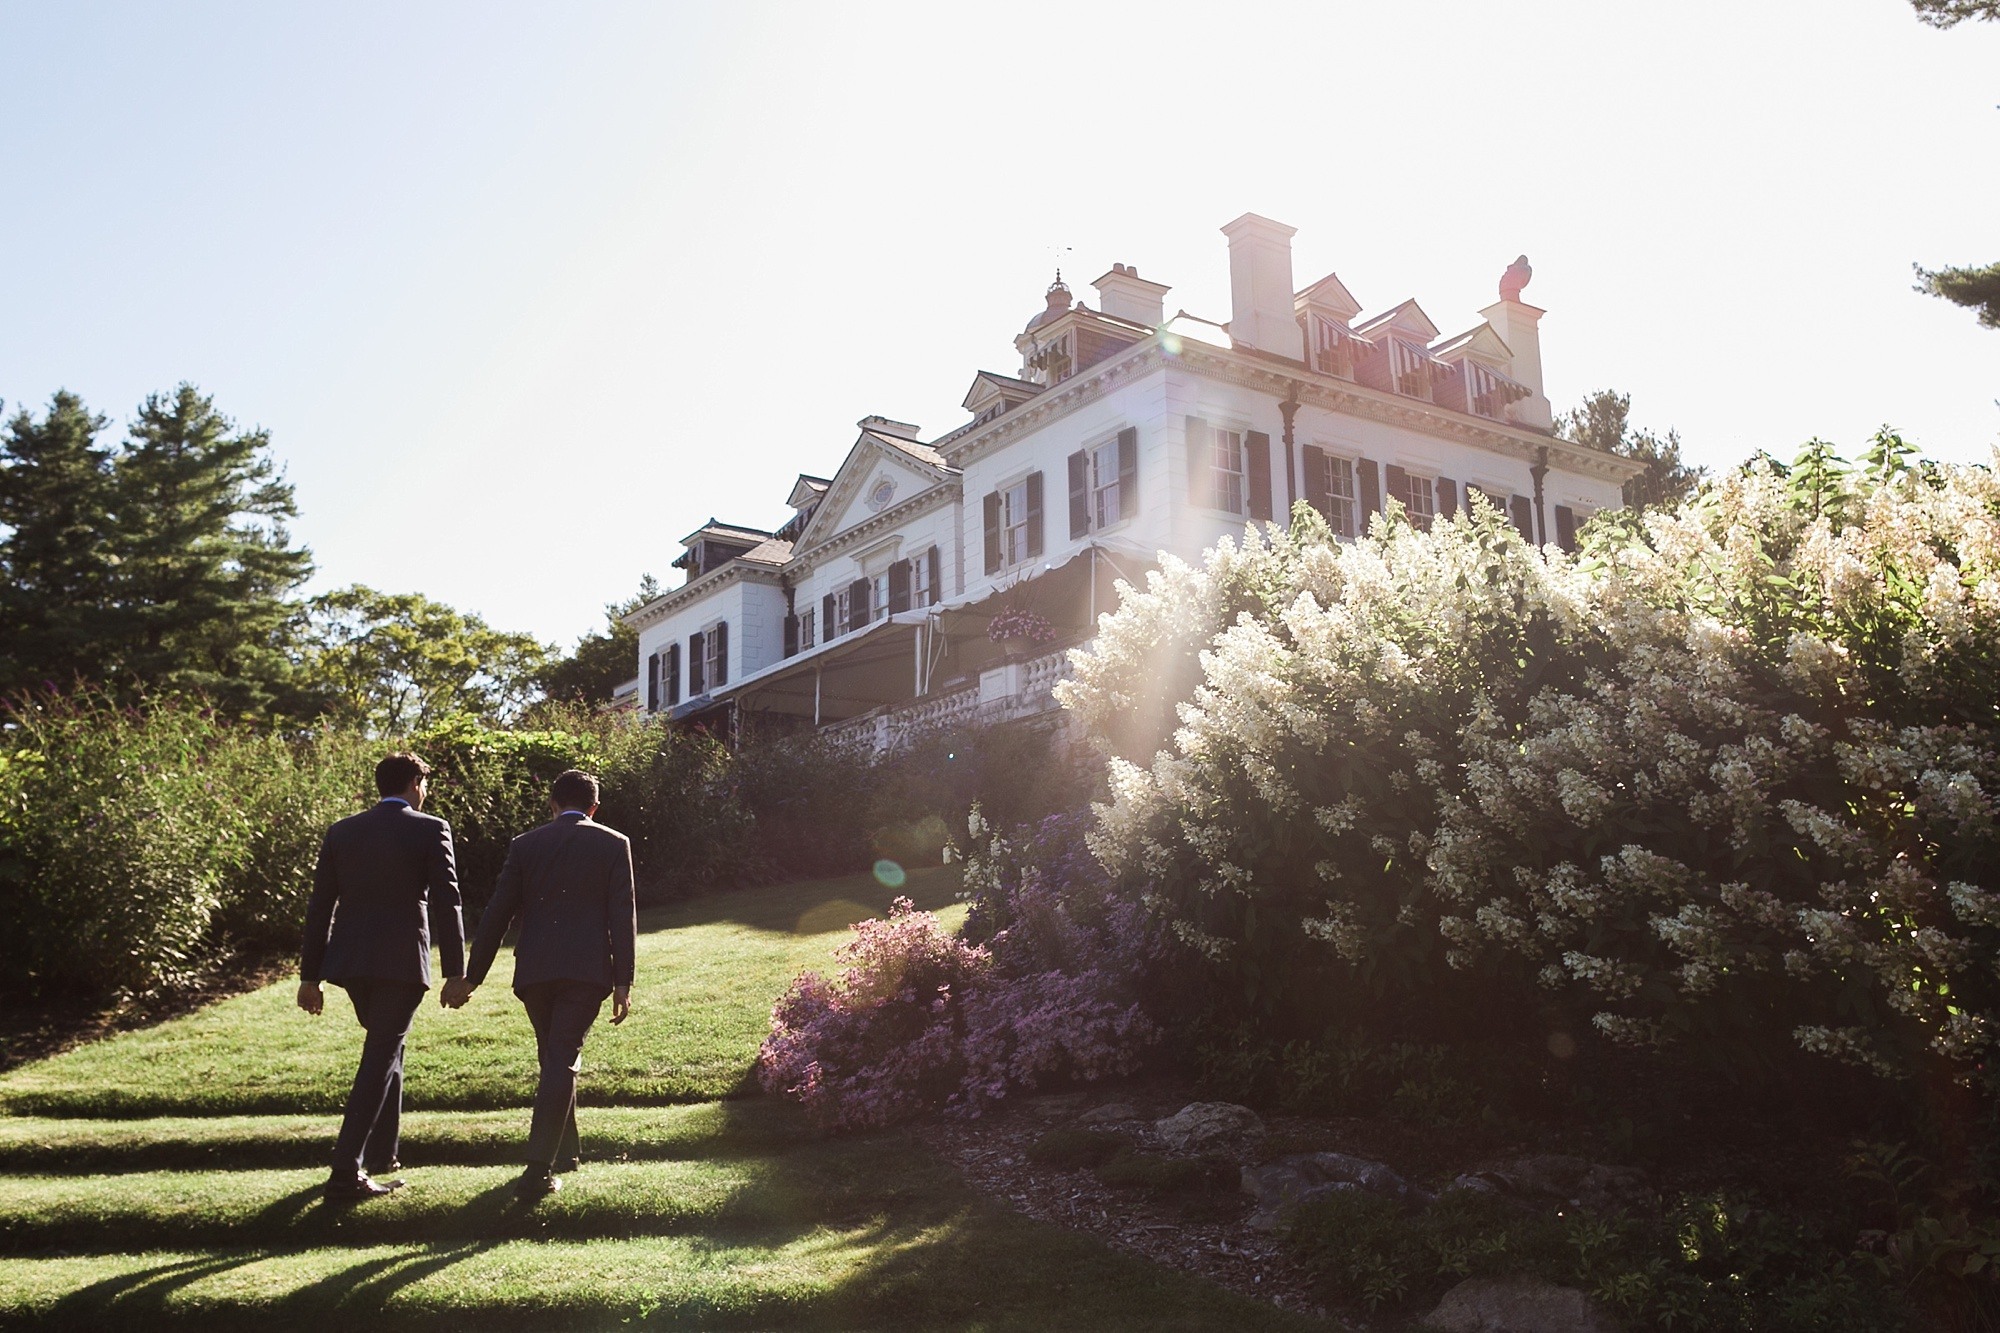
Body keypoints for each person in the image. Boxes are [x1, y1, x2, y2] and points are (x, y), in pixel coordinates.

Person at [445, 768, 636, 1201]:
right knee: (561, 1058)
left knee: (553, 1056)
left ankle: (566, 1153)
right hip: (586, 971)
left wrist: (471, 977)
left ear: (552, 805)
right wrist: (623, 980)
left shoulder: (525, 846)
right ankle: (537, 1171)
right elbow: (621, 915)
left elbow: (497, 913)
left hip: (534, 971)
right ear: (594, 807)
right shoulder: (613, 843)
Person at [299, 751, 465, 1204]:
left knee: (388, 1044)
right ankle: (344, 1172)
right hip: (401, 962)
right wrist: (455, 971)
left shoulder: (343, 831)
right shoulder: (431, 828)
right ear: (415, 782)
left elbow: (320, 907)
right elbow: (447, 902)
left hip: (350, 963)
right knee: (379, 1056)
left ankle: (383, 1156)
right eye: (424, 784)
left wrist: (309, 977)